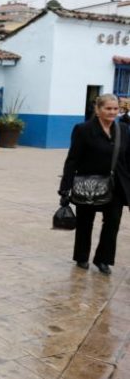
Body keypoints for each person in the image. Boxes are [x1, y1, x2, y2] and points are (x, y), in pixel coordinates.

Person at [59, 94, 130, 275]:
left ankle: (103, 259)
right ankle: (82, 257)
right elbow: (72, 160)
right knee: (85, 222)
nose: (112, 112)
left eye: (116, 109)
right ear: (98, 110)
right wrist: (65, 187)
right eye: (108, 108)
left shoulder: (123, 130)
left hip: (116, 186)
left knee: (112, 223)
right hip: (88, 184)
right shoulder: (83, 130)